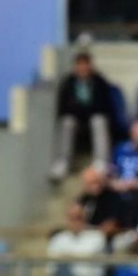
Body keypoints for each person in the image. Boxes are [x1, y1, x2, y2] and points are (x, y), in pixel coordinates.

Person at [49, 52, 113, 181]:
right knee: (67, 122)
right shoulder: (67, 83)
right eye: (80, 65)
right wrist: (78, 114)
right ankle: (63, 162)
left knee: (99, 121)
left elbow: (104, 106)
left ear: (90, 66)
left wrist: (87, 112)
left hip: (93, 118)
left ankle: (101, 161)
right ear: (75, 66)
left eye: (85, 64)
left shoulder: (99, 82)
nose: (83, 68)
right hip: (75, 119)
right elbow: (63, 108)